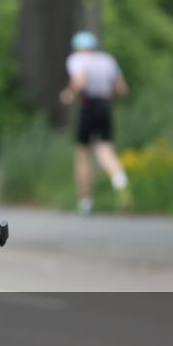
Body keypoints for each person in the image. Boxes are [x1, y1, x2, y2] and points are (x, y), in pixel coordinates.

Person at [59, 30, 130, 216]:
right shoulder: (107, 60)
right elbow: (122, 89)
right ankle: (120, 180)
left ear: (78, 48)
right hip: (105, 107)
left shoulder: (77, 59)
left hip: (88, 107)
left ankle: (85, 201)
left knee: (82, 154)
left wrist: (69, 94)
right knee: (105, 149)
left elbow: (80, 80)